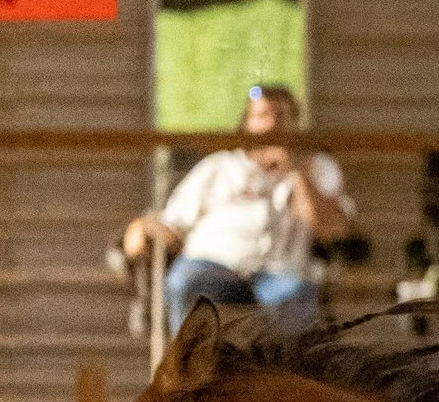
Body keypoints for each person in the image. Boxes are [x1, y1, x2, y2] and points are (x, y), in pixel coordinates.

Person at [119, 84, 350, 336]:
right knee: (183, 283)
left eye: (282, 116)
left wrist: (297, 172)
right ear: (246, 125)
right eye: (262, 116)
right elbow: (174, 224)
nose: (273, 125)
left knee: (298, 296)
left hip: (280, 273)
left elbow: (332, 228)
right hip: (211, 265)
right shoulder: (219, 166)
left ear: (297, 124)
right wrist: (143, 228)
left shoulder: (317, 168)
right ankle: (190, 360)